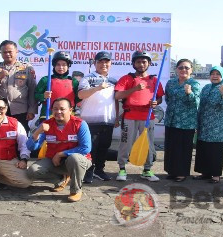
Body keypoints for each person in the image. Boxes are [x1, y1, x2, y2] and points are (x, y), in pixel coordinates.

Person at [27, 98, 92, 202]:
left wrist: (61, 154)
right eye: (55, 109)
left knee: (74, 158)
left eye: (62, 109)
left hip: (78, 161)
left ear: (70, 110)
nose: (58, 112)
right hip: (54, 162)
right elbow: (31, 147)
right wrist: (37, 132)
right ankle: (61, 179)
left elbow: (86, 148)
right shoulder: (47, 124)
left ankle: (75, 190)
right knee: (32, 171)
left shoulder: (80, 124)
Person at [114, 51, 164, 182]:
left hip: (148, 117)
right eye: (138, 62)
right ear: (133, 64)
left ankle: (147, 170)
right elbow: (118, 96)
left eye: (144, 62)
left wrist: (156, 102)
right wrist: (134, 89)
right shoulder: (127, 78)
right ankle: (122, 168)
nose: (141, 64)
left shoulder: (154, 80)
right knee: (125, 143)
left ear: (149, 63)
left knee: (148, 144)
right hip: (130, 115)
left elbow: (160, 98)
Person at [78, 51, 119, 183]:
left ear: (111, 64)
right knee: (91, 147)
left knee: (104, 146)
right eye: (100, 61)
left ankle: (99, 170)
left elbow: (116, 100)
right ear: (95, 63)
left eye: (106, 61)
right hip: (90, 120)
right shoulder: (87, 78)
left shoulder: (114, 81)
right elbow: (81, 95)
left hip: (108, 120)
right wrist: (97, 88)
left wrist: (117, 117)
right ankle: (88, 171)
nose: (103, 64)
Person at [0, 40, 37, 132]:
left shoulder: (27, 68)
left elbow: (32, 90)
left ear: (16, 51)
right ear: (0, 53)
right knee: (0, 135)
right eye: (4, 52)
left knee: (20, 136)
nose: (7, 54)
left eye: (10, 52)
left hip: (20, 110)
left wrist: (31, 110)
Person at [193, 65, 223, 183]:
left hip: (217, 126)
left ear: (222, 76)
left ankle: (215, 175)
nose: (215, 76)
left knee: (215, 151)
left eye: (218, 74)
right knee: (203, 150)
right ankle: (205, 173)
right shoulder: (206, 87)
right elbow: (200, 105)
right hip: (204, 124)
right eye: (212, 74)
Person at [163, 59, 200, 182]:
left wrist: (189, 93)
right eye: (181, 67)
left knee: (183, 149)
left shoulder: (194, 84)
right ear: (176, 69)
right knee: (171, 147)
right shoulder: (171, 83)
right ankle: (172, 171)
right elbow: (167, 99)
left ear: (191, 70)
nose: (183, 70)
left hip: (186, 122)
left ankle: (182, 173)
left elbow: (196, 103)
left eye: (186, 68)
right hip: (171, 120)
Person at [34, 51, 79, 121]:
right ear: (54, 66)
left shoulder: (74, 81)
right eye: (58, 64)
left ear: (68, 66)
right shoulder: (46, 80)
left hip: (67, 115)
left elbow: (78, 98)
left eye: (64, 65)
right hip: (48, 115)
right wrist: (43, 96)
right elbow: (35, 95)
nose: (61, 67)